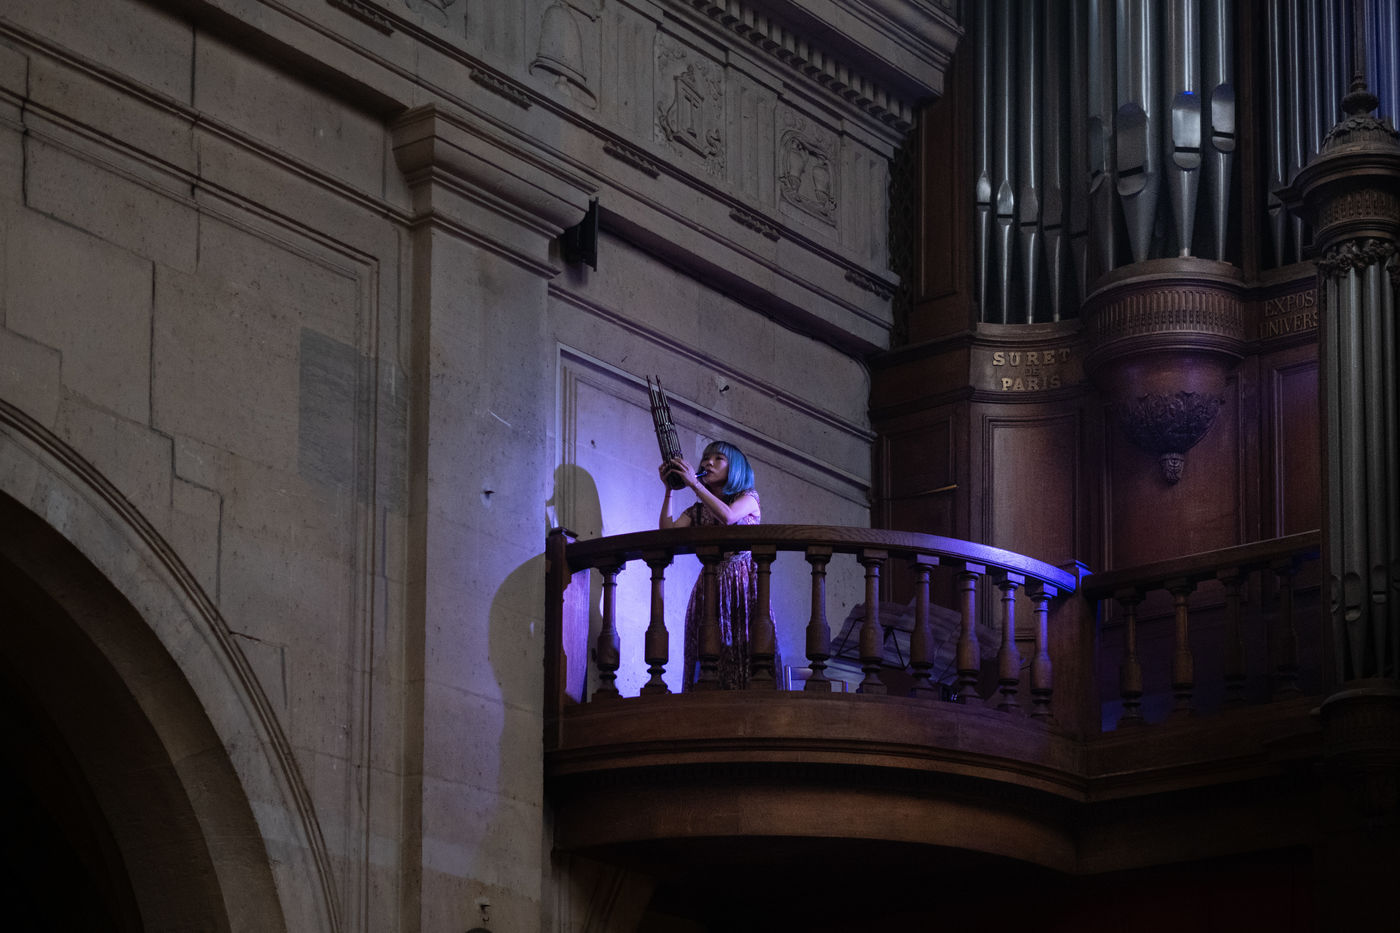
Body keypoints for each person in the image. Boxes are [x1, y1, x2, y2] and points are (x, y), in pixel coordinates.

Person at [658, 440, 780, 690]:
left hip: (743, 586)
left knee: (746, 645)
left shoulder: (749, 498)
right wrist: (670, 489)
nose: (708, 463)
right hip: (710, 586)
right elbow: (667, 534)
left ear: (735, 468)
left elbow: (728, 516)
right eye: (706, 458)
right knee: (709, 648)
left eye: (718, 459)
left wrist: (694, 485)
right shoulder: (697, 511)